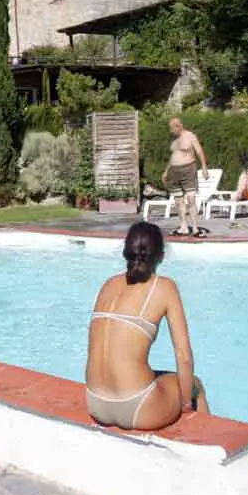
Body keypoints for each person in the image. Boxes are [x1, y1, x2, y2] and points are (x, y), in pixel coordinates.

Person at [85, 222, 209, 431]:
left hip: (96, 403)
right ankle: (207, 447)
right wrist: (185, 404)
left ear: (126, 252)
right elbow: (184, 356)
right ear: (160, 255)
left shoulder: (108, 284)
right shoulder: (164, 287)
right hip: (138, 406)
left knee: (158, 375)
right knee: (195, 384)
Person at [162, 117, 209, 236]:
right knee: (178, 200)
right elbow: (173, 156)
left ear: (179, 126)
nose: (171, 131)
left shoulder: (190, 136)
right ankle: (183, 227)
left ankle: (195, 228)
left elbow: (199, 151)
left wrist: (204, 167)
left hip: (188, 169)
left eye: (172, 128)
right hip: (174, 171)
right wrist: (166, 171)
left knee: (191, 199)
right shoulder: (174, 140)